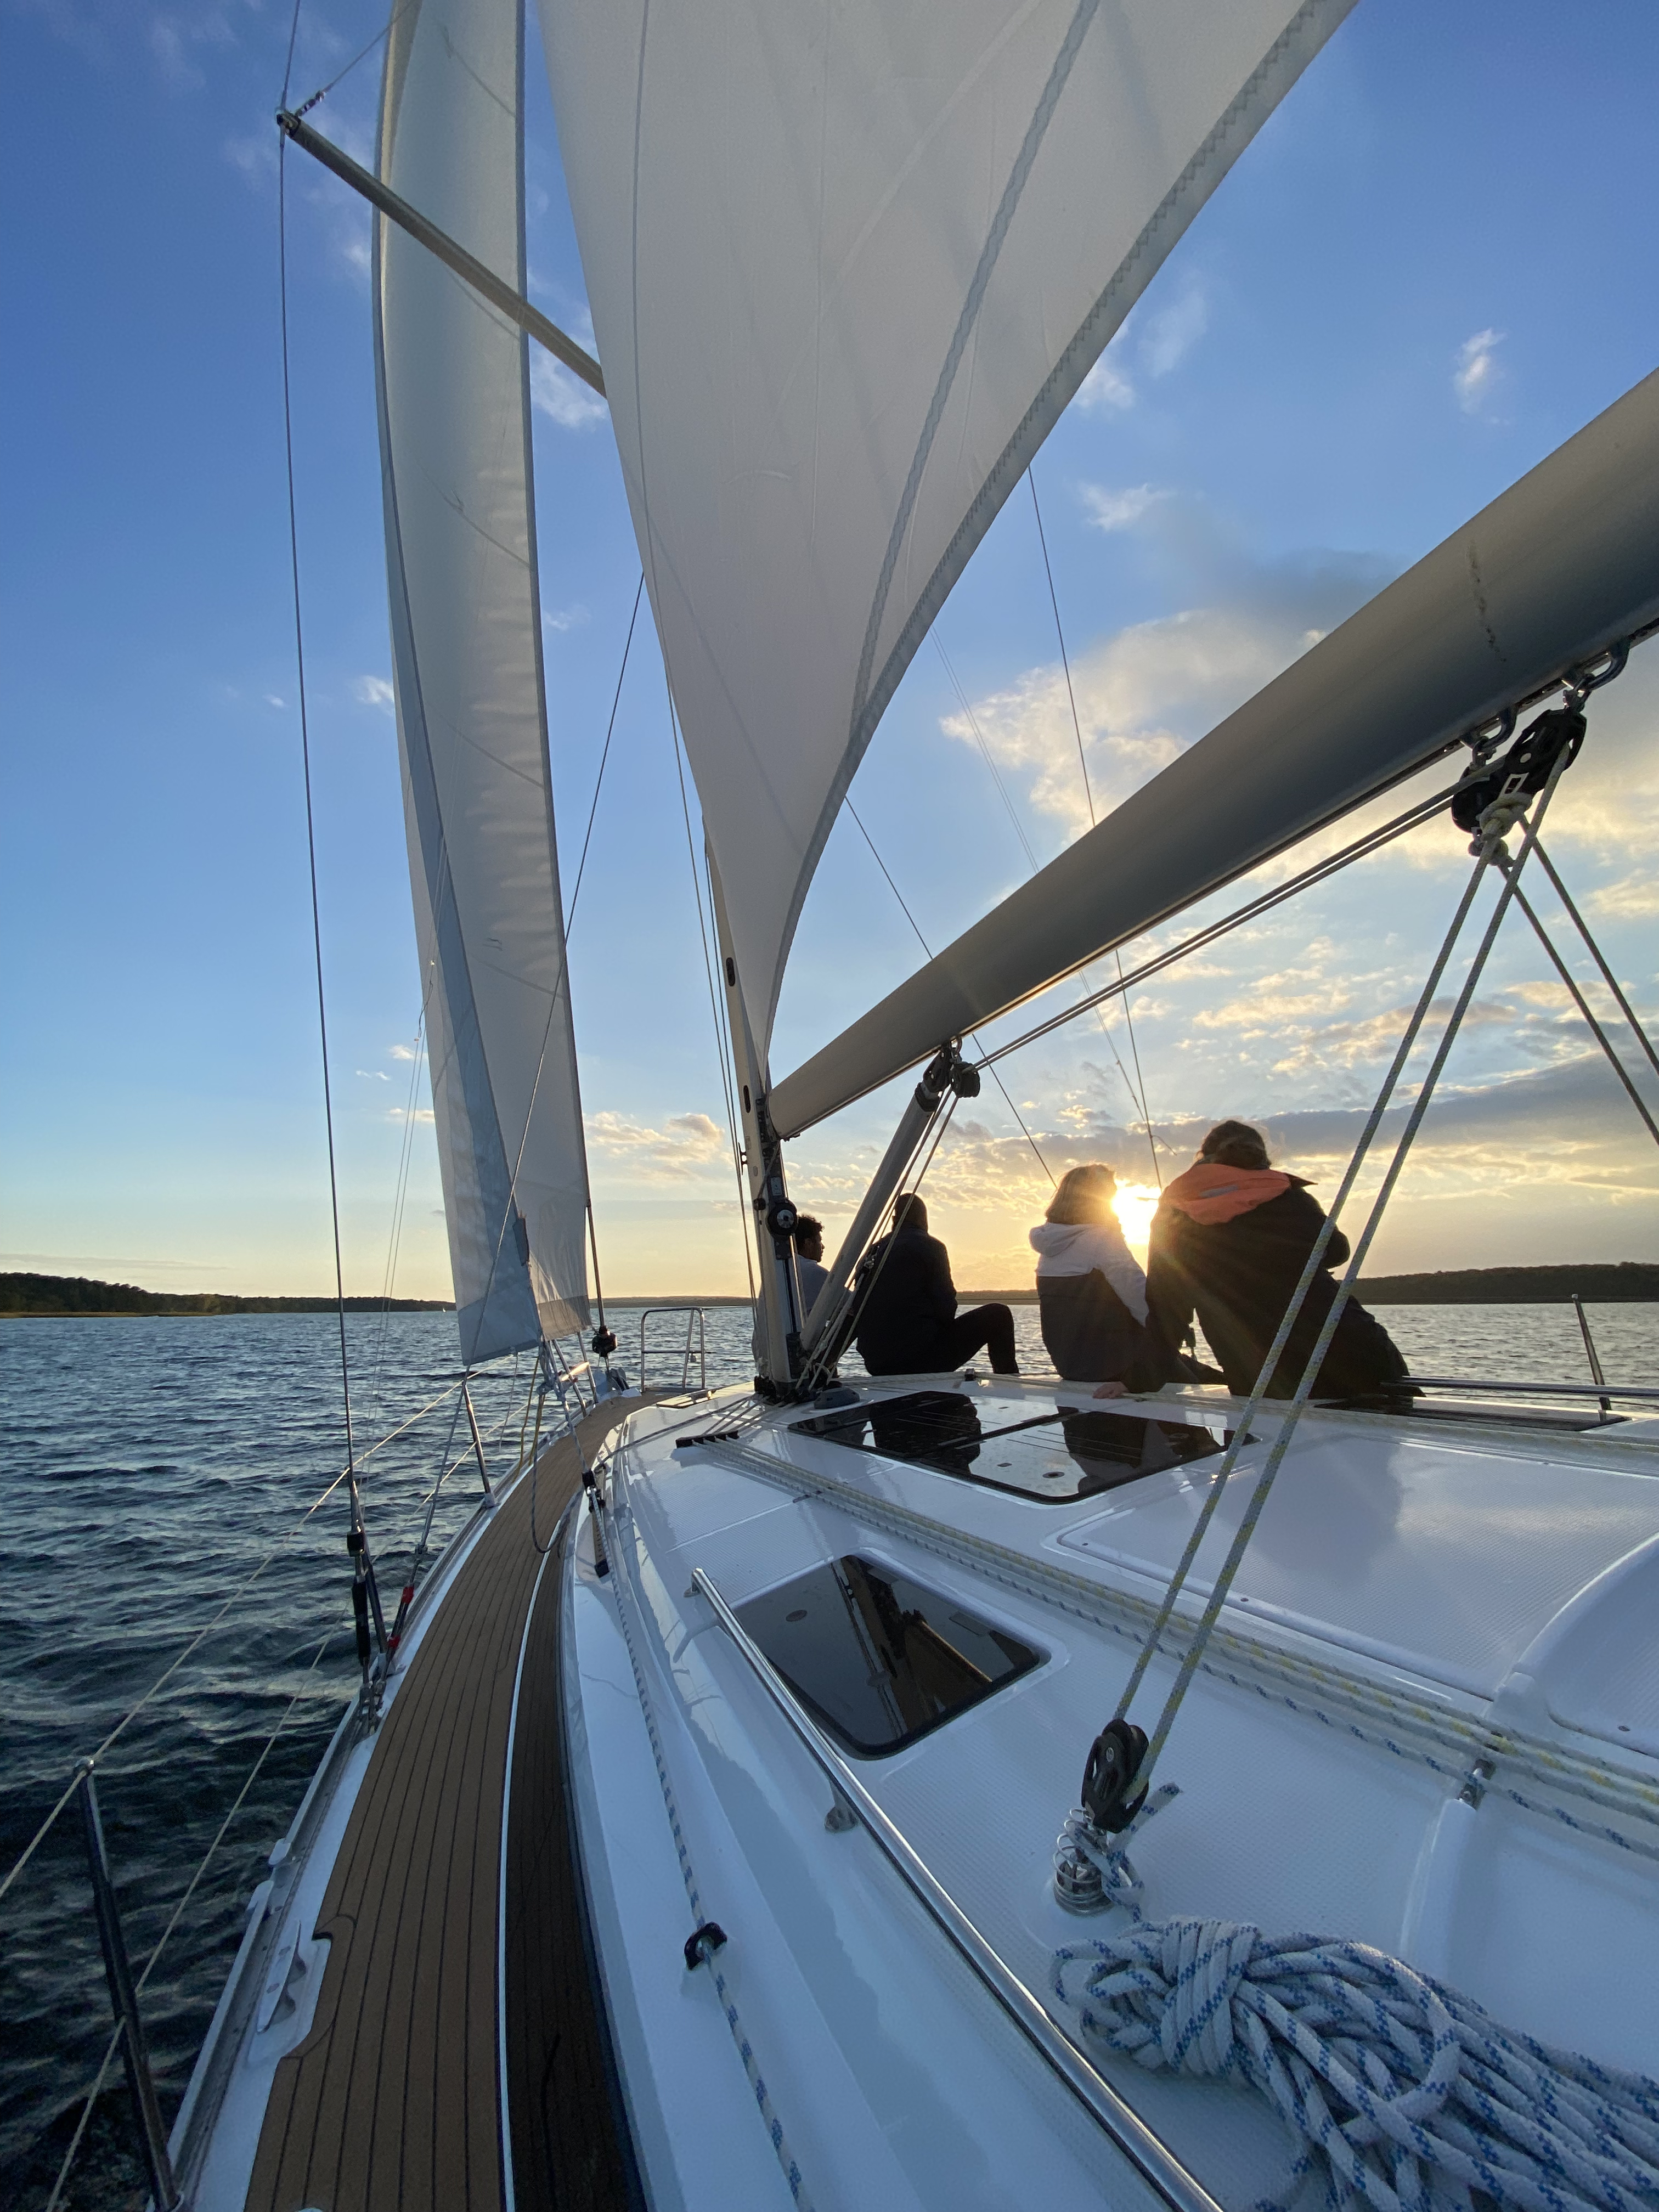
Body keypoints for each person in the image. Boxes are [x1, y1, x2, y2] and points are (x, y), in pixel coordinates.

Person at [1145, 1120, 1410, 1402]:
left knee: (1266, 1444)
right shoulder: (1285, 1193)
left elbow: (1167, 1302)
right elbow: (1336, 1250)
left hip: (1257, 1370)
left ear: (1204, 1157)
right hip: (1348, 1350)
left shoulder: (1174, 1213)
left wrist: (1141, 1378)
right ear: (1260, 1156)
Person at [1029, 1164, 1168, 1388]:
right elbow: (1141, 1302)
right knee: (1208, 1381)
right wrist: (1171, 1336)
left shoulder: (1049, 1246)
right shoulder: (1103, 1240)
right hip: (1117, 1364)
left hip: (1069, 1365)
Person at [854, 1194, 1018, 1376]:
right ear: (924, 1220)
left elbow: (857, 1304)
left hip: (877, 1364)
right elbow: (946, 1309)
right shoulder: (931, 1247)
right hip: (919, 1361)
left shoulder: (872, 1252)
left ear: (894, 1219)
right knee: (998, 1314)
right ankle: (1010, 1383)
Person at [752, 1215, 832, 1365]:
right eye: (820, 1241)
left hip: (766, 1362)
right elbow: (852, 1303)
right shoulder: (814, 1272)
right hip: (794, 1363)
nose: (823, 1247)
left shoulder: (779, 1271)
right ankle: (826, 1368)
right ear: (808, 1243)